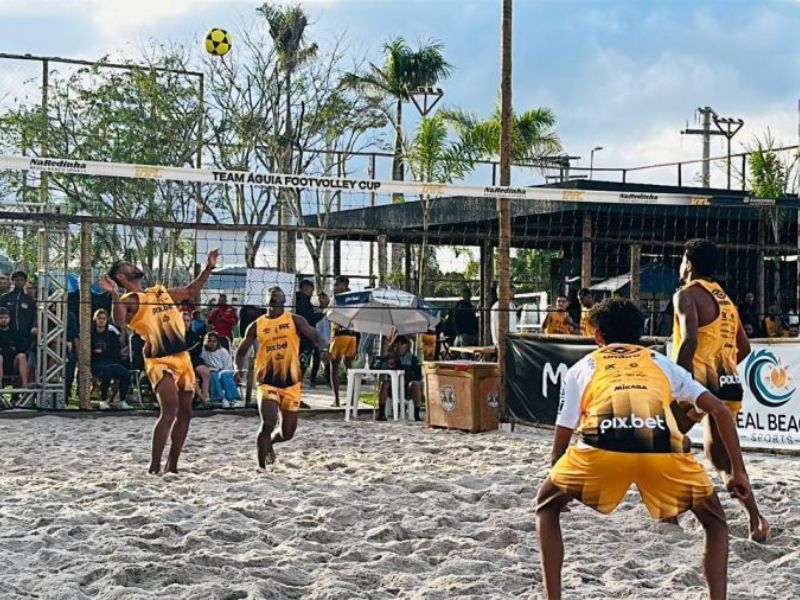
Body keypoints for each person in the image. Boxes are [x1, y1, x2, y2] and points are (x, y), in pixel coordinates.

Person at [535, 297, 752, 600]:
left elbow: (563, 434)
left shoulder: (582, 367)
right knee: (715, 523)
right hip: (663, 447)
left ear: (598, 335)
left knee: (545, 507)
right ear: (641, 333)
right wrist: (739, 471)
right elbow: (720, 410)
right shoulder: (660, 362)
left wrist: (559, 478)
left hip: (603, 445)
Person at [672, 239, 769, 541]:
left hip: (698, 384)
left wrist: (680, 382)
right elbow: (744, 347)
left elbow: (688, 342)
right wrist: (722, 367)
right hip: (728, 385)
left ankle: (673, 510)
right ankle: (756, 520)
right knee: (723, 461)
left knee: (665, 438)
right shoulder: (726, 300)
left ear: (689, 264)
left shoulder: (686, 295)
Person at [99, 249, 219, 474]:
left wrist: (209, 267)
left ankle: (172, 463)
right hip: (158, 359)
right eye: (126, 264)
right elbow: (119, 321)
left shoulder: (160, 292)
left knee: (186, 412)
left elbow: (191, 291)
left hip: (183, 357)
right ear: (122, 277)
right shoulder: (129, 300)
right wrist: (114, 294)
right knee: (170, 409)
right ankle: (154, 465)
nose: (132, 264)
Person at [234, 286, 329, 468]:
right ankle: (261, 467)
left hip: (290, 382)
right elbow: (242, 350)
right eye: (271, 295)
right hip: (267, 381)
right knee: (268, 423)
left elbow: (316, 335)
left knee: (288, 433)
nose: (274, 297)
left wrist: (323, 349)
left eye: (278, 295)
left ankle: (270, 442)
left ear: (284, 301)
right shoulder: (257, 325)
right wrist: (237, 368)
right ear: (266, 300)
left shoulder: (295, 320)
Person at [90, 309, 131, 410]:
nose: (102, 321)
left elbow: (116, 350)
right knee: (106, 372)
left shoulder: (111, 334)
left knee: (125, 373)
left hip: (111, 361)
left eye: (104, 318)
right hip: (97, 363)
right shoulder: (91, 335)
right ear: (95, 319)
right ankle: (103, 400)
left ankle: (122, 400)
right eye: (99, 318)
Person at [376, 336, 423, 421]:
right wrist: (389, 359)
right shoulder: (391, 357)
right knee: (385, 384)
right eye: (397, 346)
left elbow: (419, 375)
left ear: (406, 346)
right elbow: (380, 366)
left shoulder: (412, 359)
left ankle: (416, 414)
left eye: (402, 346)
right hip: (393, 387)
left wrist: (409, 376)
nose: (400, 349)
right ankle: (381, 413)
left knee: (415, 385)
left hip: (406, 387)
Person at [329, 276, 358, 407]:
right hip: (352, 335)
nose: (335, 288)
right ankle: (351, 399)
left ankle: (337, 399)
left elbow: (330, 314)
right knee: (349, 367)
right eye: (335, 285)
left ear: (344, 286)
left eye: (337, 285)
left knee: (334, 367)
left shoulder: (337, 299)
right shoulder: (355, 298)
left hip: (339, 334)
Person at [201, 331, 242, 408]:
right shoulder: (204, 352)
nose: (212, 343)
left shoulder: (223, 351)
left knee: (224, 375)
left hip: (225, 371)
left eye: (214, 341)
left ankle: (233, 398)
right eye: (209, 341)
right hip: (212, 373)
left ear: (217, 342)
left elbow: (228, 366)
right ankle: (218, 398)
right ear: (206, 342)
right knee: (212, 374)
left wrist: (220, 371)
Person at [182, 311, 210, 406]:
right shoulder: (174, 335)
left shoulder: (195, 335)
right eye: (183, 320)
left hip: (193, 359)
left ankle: (205, 396)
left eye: (188, 321)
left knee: (205, 372)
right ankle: (203, 399)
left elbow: (196, 351)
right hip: (181, 361)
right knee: (191, 374)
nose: (185, 323)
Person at [0, 270, 37, 339]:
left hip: (25, 334)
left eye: (22, 280)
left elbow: (34, 316)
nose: (19, 282)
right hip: (7, 333)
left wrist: (34, 327)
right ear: (13, 282)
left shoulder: (29, 300)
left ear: (25, 282)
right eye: (17, 280)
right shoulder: (5, 297)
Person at [0, 307, 30, 387]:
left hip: (13, 362)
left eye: (6, 317)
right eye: (1, 318)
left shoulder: (15, 332)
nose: (3, 320)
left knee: (22, 356)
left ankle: (25, 385)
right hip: (1, 361)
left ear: (9, 319)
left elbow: (21, 348)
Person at [309, 292, 332, 388]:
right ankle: (312, 381)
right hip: (317, 339)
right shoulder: (315, 311)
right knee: (316, 361)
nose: (322, 300)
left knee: (328, 362)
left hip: (328, 340)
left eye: (324, 298)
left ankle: (329, 381)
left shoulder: (330, 312)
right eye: (320, 298)